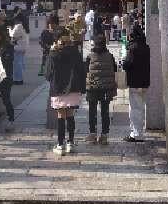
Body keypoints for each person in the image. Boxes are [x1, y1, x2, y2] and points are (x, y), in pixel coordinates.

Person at [46, 28, 85, 156]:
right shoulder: (75, 51)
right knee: (70, 115)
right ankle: (71, 143)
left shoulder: (53, 54)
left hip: (58, 89)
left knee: (61, 116)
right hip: (73, 87)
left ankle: (60, 144)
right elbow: (82, 70)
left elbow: (48, 74)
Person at [84, 33, 117, 145]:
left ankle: (92, 134)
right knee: (105, 111)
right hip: (106, 89)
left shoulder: (90, 56)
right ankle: (104, 135)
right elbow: (115, 69)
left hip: (92, 88)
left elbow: (85, 70)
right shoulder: (110, 56)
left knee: (92, 111)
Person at [122, 24, 150, 142]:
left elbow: (127, 64)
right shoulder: (146, 47)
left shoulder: (133, 48)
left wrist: (123, 62)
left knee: (135, 109)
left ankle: (137, 134)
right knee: (140, 107)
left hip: (135, 82)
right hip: (144, 81)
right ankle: (137, 132)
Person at [9, 10, 28, 86]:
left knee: (17, 64)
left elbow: (12, 35)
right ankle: (19, 78)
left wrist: (9, 29)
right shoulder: (23, 25)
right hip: (22, 47)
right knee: (20, 63)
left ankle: (18, 79)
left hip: (18, 47)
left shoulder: (18, 26)